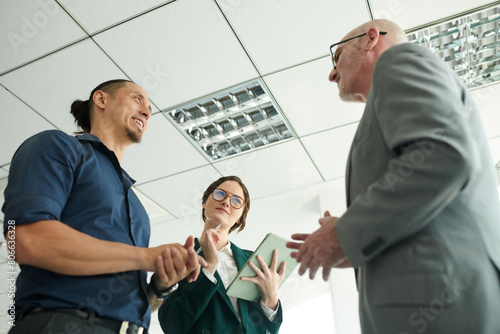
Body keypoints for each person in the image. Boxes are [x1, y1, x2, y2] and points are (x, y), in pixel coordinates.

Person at [287, 19, 500, 334]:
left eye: (338, 56)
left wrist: (343, 233)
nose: (332, 73)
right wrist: (355, 245)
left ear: (370, 39)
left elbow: (444, 156)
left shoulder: (397, 61)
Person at [2, 79, 206, 334]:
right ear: (101, 99)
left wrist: (160, 286)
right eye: (137, 99)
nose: (146, 111)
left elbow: (134, 302)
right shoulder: (57, 146)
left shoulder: (136, 206)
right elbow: (25, 240)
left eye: (150, 110)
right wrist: (146, 256)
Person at [158, 176, 285, 334]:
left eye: (236, 201)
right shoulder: (179, 258)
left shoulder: (253, 261)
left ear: (240, 218)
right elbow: (171, 325)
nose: (226, 202)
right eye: (220, 194)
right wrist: (209, 267)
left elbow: (268, 329)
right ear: (204, 202)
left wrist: (271, 298)